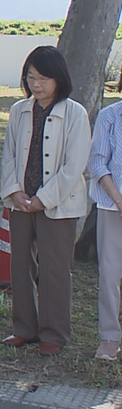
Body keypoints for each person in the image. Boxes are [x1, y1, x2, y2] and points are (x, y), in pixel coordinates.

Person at [0, 45, 90, 357]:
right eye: (30, 77)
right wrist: (14, 191)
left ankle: (54, 333)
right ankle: (24, 328)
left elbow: (74, 166)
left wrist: (43, 199)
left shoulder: (75, 113)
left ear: (58, 79)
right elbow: (9, 155)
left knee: (54, 268)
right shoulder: (18, 111)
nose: (35, 84)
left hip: (58, 205)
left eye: (42, 78)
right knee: (20, 265)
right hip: (21, 201)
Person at [90, 99, 122, 361]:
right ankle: (110, 336)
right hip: (112, 206)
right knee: (110, 274)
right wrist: (118, 198)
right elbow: (98, 163)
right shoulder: (109, 116)